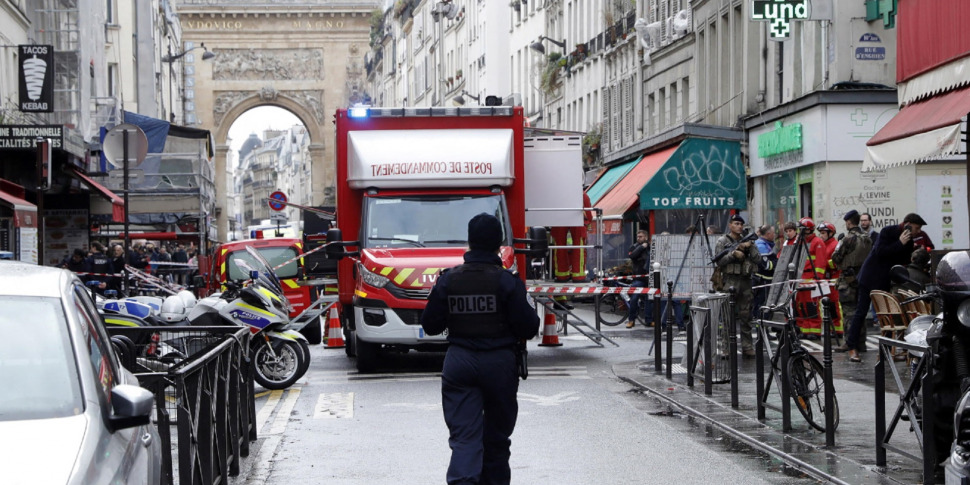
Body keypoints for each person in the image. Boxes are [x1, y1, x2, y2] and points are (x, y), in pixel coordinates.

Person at [420, 213, 539, 485]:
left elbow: (430, 325)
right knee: (496, 440)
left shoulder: (449, 279)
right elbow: (529, 327)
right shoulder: (507, 281)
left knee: (464, 438)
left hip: (460, 360)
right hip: (499, 363)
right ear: (499, 244)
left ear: (469, 243)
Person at [840, 213, 926, 363]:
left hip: (885, 279)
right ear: (907, 224)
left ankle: (886, 349)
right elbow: (880, 252)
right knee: (861, 312)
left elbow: (903, 260)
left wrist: (908, 248)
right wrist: (899, 243)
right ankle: (852, 346)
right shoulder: (888, 231)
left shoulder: (909, 241)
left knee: (886, 316)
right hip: (870, 277)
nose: (918, 231)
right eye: (916, 228)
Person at [714, 215, 761, 357]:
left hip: (745, 281)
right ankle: (726, 348)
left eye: (741, 224)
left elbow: (758, 259)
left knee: (746, 315)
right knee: (727, 316)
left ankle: (747, 346)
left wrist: (750, 247)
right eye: (736, 223)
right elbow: (719, 261)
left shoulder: (748, 240)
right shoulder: (722, 241)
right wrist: (733, 254)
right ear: (730, 225)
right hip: (729, 281)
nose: (739, 226)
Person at [832, 210, 873, 353]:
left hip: (848, 280)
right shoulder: (867, 238)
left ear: (849, 222)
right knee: (860, 312)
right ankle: (861, 343)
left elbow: (836, 257)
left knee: (849, 313)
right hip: (863, 278)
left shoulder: (848, 239)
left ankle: (849, 343)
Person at [791, 218, 828, 337]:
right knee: (799, 305)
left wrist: (817, 279)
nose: (799, 231)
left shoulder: (817, 242)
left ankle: (814, 330)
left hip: (811, 278)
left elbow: (821, 263)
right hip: (800, 277)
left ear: (808, 230)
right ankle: (804, 329)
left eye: (802, 229)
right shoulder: (800, 242)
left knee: (811, 305)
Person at [550, 192, 592, 283]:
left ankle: (562, 275)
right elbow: (589, 214)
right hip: (578, 220)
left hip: (559, 218)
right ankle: (578, 276)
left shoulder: (556, 193)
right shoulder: (581, 194)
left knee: (559, 246)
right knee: (579, 247)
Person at [816, 222, 843, 334]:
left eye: (823, 233)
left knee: (834, 305)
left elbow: (837, 263)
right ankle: (830, 328)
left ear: (830, 233)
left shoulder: (835, 245)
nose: (821, 235)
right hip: (825, 280)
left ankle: (837, 329)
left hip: (833, 280)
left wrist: (824, 264)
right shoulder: (822, 245)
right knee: (825, 305)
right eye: (820, 233)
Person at [626, 230, 653, 329]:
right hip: (638, 277)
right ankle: (631, 320)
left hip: (649, 278)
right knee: (634, 298)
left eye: (641, 236)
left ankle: (649, 320)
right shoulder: (634, 247)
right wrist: (641, 247)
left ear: (646, 237)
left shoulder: (650, 247)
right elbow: (632, 255)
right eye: (638, 236)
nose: (638, 238)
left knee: (649, 299)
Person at [751, 224, 777, 320]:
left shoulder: (764, 244)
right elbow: (766, 265)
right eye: (773, 233)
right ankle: (761, 332)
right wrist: (776, 263)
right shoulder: (762, 246)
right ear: (768, 234)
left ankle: (762, 331)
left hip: (764, 281)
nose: (775, 235)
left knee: (762, 306)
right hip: (763, 282)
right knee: (762, 307)